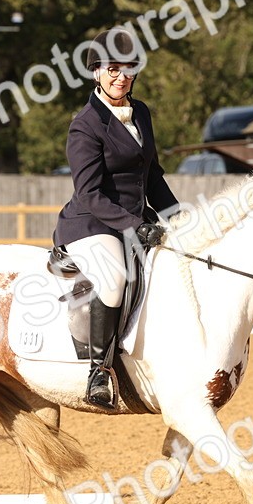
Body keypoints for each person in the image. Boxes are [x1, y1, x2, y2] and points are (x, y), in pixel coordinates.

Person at [53, 28, 180, 410]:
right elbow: (90, 193)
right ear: (96, 72)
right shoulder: (85, 125)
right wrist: (134, 225)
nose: (120, 76)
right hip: (93, 224)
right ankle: (99, 371)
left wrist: (177, 216)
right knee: (114, 279)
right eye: (112, 69)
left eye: (128, 69)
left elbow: (152, 173)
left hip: (137, 220)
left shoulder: (140, 112)